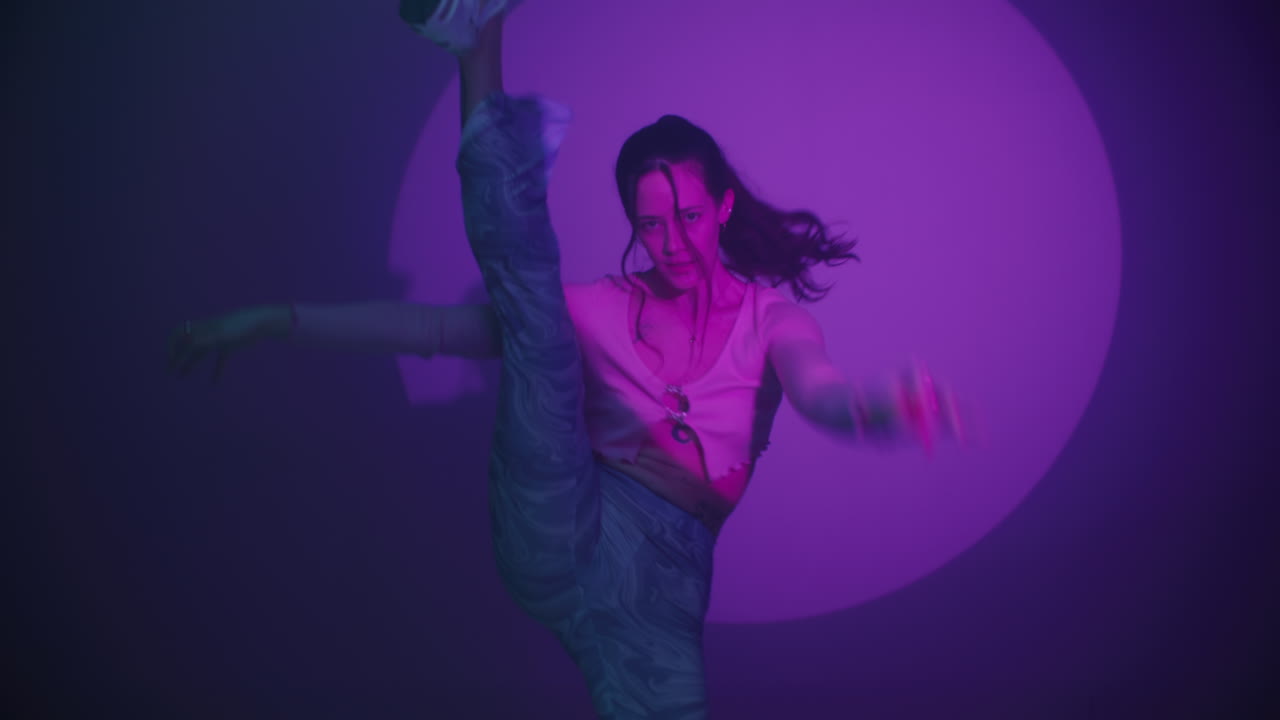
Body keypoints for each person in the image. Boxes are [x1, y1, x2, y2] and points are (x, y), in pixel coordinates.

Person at [167, 2, 960, 717]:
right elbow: (432, 329)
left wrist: (884, 406)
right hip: (563, 517)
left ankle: (480, 49)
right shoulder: (599, 309)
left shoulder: (770, 320)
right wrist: (274, 320)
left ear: (721, 207)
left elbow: (822, 394)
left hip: (662, 589)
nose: (674, 242)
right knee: (537, 314)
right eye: (652, 225)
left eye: (689, 216)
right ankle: (478, 43)